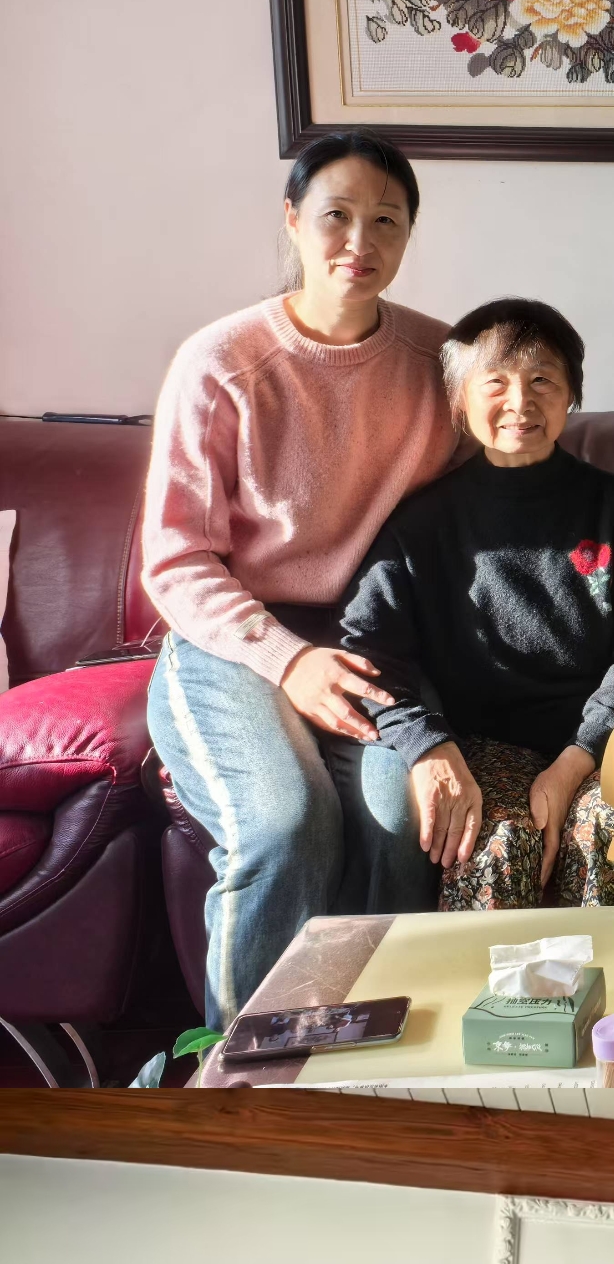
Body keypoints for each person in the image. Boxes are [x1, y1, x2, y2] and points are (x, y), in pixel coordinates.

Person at [142, 133, 454, 1023]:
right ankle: (239, 1065)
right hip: (232, 641)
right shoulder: (221, 362)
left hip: (370, 643)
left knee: (403, 819)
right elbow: (175, 559)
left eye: (386, 221)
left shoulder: (439, 362)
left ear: (408, 235)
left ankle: (368, 1056)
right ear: (292, 220)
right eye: (336, 216)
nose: (360, 240)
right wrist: (287, 659)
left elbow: (498, 502)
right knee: (288, 821)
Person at [338, 297, 614, 911]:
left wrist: (574, 763)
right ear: (459, 399)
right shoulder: (422, 523)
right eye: (496, 383)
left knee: (612, 831)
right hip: (480, 746)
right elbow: (371, 648)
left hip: (599, 742)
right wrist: (425, 742)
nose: (521, 402)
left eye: (543, 380)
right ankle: (492, 981)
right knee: (493, 842)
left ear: (572, 395)